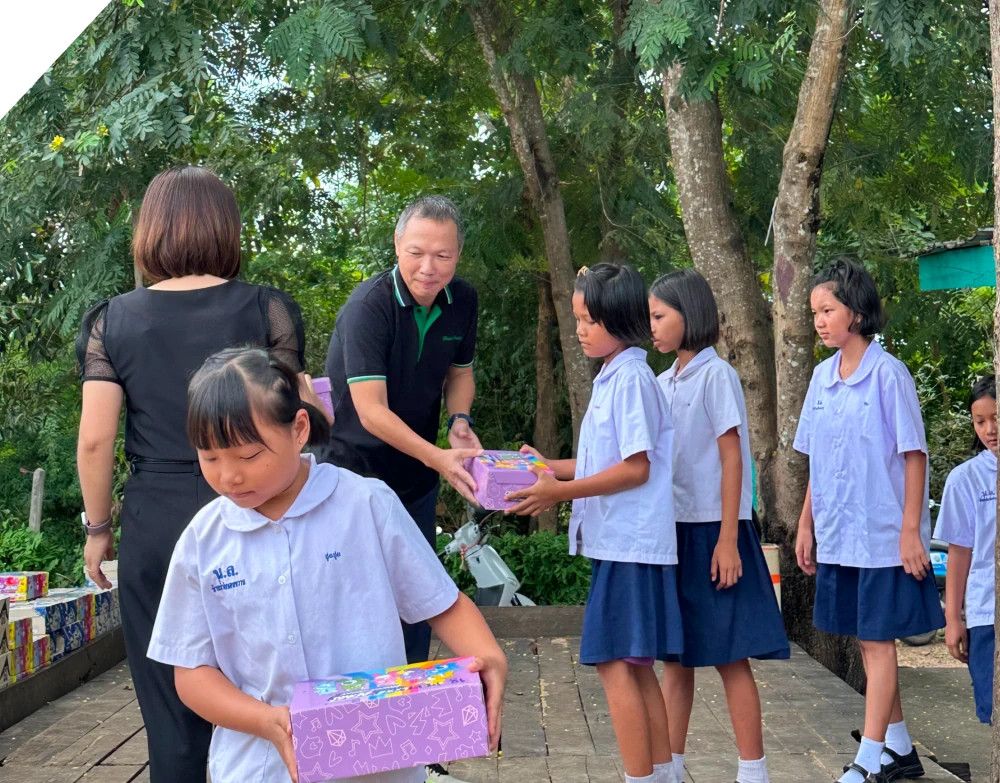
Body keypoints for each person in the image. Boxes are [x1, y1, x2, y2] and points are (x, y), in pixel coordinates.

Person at [145, 347, 507, 783]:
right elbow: (192, 672)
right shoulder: (203, 541)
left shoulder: (365, 505)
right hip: (259, 767)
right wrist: (267, 721)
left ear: (299, 429)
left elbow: (442, 605)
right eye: (210, 458)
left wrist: (488, 657)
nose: (229, 476)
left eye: (247, 456)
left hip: (378, 760)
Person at [76, 166, 329, 782]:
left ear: (149, 231)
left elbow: (95, 438)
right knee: (272, 688)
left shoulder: (113, 320)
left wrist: (98, 526)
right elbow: (305, 418)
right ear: (226, 228)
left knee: (170, 707)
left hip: (156, 520)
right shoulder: (267, 308)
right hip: (256, 508)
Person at [506, 263, 681, 783]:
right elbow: (603, 462)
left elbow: (636, 467)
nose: (579, 329)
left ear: (620, 319)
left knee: (613, 665)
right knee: (633, 665)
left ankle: (641, 777)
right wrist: (546, 467)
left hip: (630, 545)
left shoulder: (630, 378)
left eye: (589, 319)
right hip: (623, 545)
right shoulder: (617, 375)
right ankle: (663, 774)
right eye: (578, 318)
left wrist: (559, 492)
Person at [794, 258, 943, 783]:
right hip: (837, 535)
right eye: (815, 311)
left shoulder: (889, 374)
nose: (819, 319)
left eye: (827, 309)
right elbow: (815, 458)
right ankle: (899, 753)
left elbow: (914, 455)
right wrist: (806, 524)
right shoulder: (819, 378)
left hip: (882, 536)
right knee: (865, 640)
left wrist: (909, 531)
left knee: (877, 643)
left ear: (856, 311)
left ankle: (868, 760)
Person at [319, 195, 482, 672]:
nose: (428, 267)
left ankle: (407, 715)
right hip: (354, 481)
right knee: (356, 603)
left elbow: (459, 373)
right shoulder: (367, 308)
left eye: (442, 255)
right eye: (416, 252)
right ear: (396, 245)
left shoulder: (463, 300)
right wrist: (439, 457)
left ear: (457, 255)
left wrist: (459, 422)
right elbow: (371, 413)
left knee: (416, 601)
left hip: (416, 483)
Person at [649, 269, 790, 783]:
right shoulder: (662, 382)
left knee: (731, 658)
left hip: (717, 531)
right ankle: (670, 765)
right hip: (674, 533)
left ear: (691, 314)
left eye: (660, 316)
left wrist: (730, 539)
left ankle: (753, 771)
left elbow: (735, 460)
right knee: (676, 659)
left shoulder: (717, 376)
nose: (653, 327)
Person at [933, 375, 996, 726]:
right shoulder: (965, 478)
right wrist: (954, 618)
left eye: (996, 417)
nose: (990, 429)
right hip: (986, 613)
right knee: (992, 709)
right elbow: (959, 553)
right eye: (980, 420)